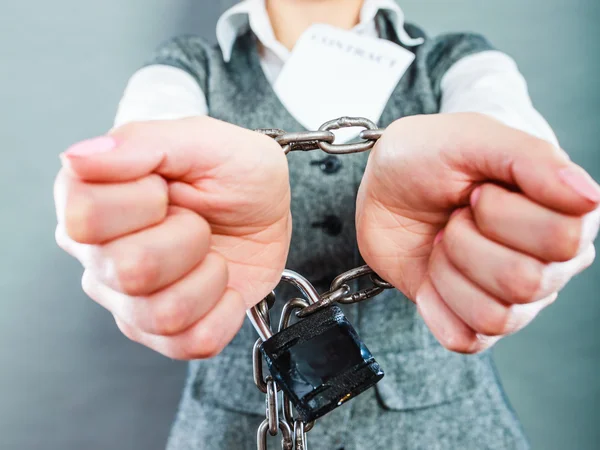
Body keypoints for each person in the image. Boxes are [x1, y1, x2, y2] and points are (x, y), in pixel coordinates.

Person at [54, 0, 599, 448]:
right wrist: (121, 212)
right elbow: (148, 131)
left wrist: (527, 199)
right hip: (239, 425)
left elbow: (507, 125)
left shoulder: (456, 61)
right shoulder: (188, 67)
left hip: (444, 425)